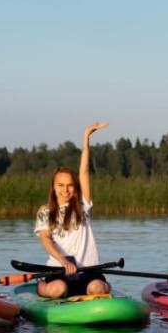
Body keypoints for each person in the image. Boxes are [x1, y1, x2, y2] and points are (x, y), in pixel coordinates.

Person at [34, 122, 111, 298]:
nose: (65, 190)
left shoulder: (83, 206)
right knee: (59, 290)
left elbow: (84, 171)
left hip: (87, 269)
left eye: (70, 185)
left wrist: (86, 139)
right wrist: (62, 261)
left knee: (97, 289)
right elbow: (45, 239)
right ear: (53, 187)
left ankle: (105, 285)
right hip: (59, 269)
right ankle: (41, 287)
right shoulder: (45, 211)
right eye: (60, 185)